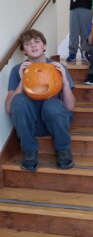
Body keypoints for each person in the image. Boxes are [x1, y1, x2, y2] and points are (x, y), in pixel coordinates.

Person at [5, 29, 75, 171]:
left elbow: (70, 106)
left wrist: (65, 82)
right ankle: (30, 152)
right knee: (18, 100)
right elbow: (9, 108)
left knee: (52, 104)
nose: (33, 45)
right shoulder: (17, 70)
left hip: (55, 121)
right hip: (31, 125)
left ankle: (63, 150)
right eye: (27, 43)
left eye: (37, 41)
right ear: (24, 50)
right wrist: (22, 79)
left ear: (44, 46)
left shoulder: (57, 67)